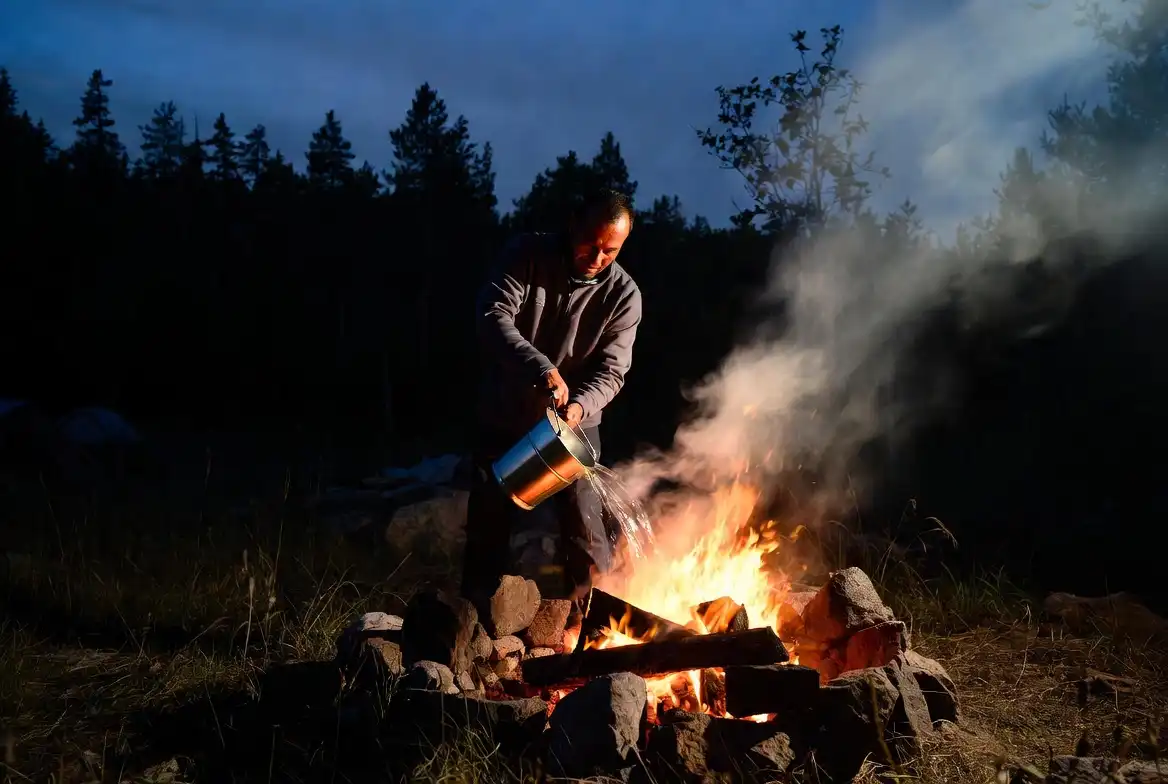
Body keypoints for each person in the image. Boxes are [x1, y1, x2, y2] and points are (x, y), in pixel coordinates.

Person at [461, 188, 643, 615]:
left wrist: (578, 406)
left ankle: (595, 622)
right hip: (507, 411)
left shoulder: (624, 295)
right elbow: (492, 314)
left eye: (611, 251)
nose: (597, 258)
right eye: (591, 245)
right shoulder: (526, 255)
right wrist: (540, 369)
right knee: (489, 522)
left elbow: (613, 371)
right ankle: (474, 620)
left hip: (576, 424)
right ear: (573, 224)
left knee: (585, 527)